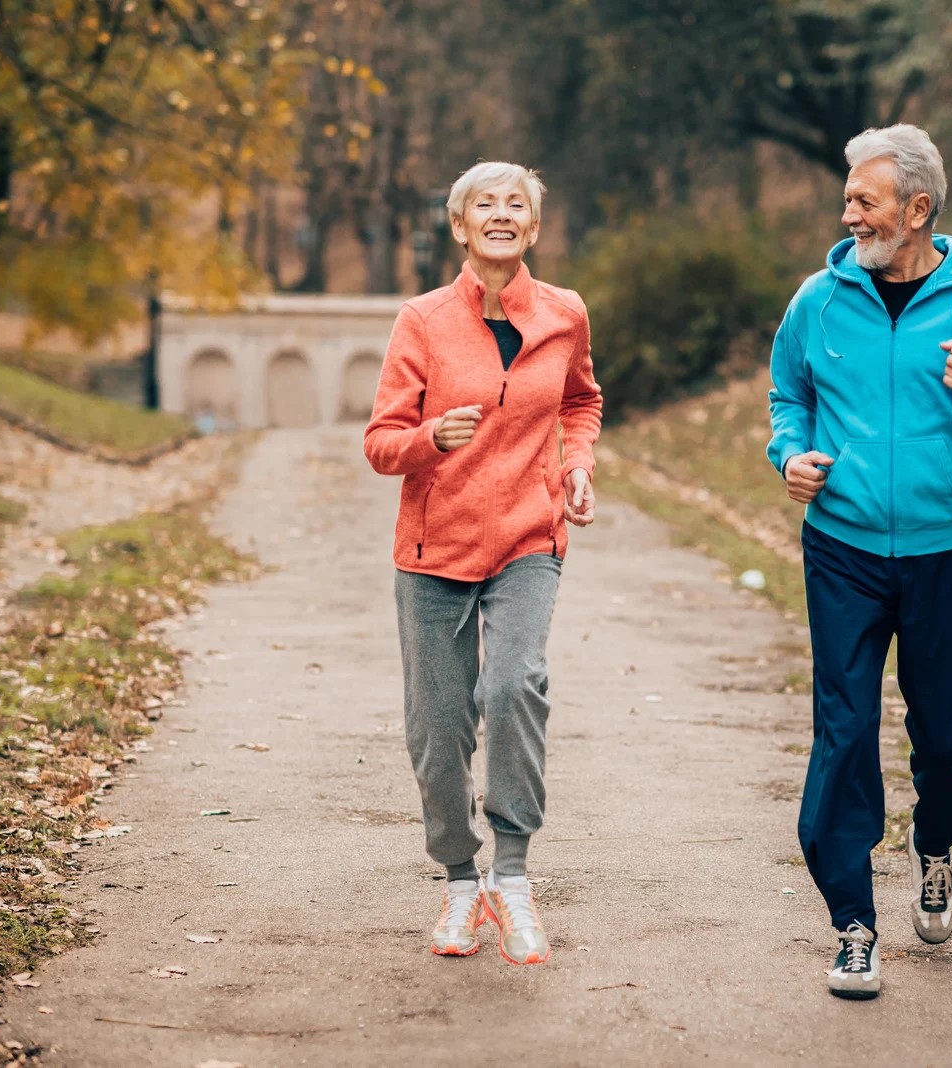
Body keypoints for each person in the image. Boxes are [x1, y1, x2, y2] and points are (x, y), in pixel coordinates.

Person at [766, 124, 952, 999]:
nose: (848, 211)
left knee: (945, 741)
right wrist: (791, 455)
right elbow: (790, 394)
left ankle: (937, 842)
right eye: (849, 196)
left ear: (917, 209)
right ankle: (853, 925)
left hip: (950, 554)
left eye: (865, 198)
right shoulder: (820, 298)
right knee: (844, 733)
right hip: (843, 548)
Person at [364, 161, 602, 966]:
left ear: (532, 229)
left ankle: (512, 875)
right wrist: (431, 438)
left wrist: (577, 465)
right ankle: (461, 883)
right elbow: (380, 443)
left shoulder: (564, 314)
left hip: (528, 538)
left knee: (511, 685)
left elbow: (580, 400)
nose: (501, 215)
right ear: (460, 228)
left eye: (517, 205)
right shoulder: (422, 321)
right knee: (437, 728)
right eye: (483, 205)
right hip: (434, 550)